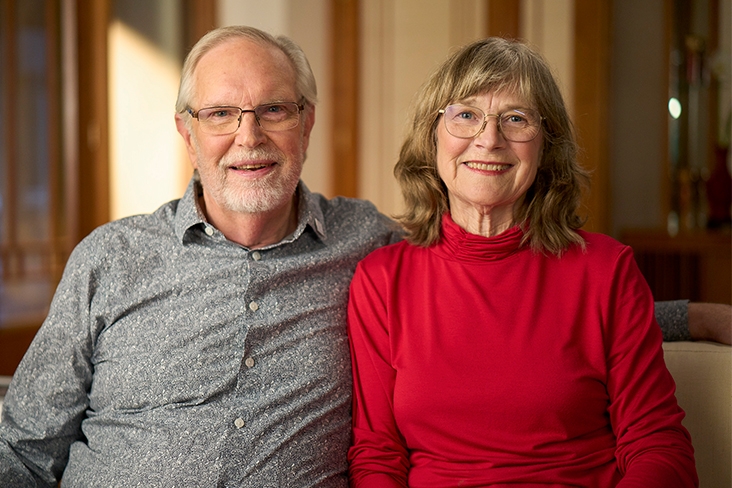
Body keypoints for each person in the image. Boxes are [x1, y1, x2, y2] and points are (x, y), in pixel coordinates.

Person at [0, 25, 720, 487]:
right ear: (189, 130)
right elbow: (26, 447)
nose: (247, 135)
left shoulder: (367, 247)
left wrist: (693, 317)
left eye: (274, 110)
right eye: (221, 114)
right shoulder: (112, 259)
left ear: (306, 123)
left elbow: (526, 301)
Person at [347, 37, 698, 487]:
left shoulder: (606, 269)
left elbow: (658, 444)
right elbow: (378, 454)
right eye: (466, 115)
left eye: (516, 119)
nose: (489, 139)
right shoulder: (381, 280)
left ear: (546, 146)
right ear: (432, 136)